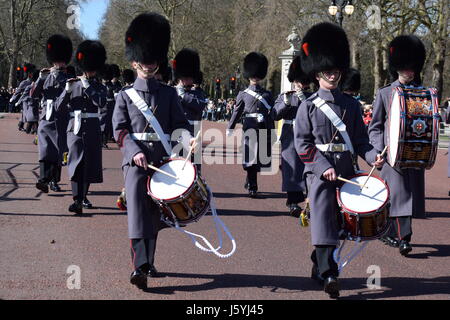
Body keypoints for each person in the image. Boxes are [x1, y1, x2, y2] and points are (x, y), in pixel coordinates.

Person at [294, 22, 384, 298]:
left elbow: (361, 142)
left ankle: (318, 262)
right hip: (320, 175)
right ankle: (330, 275)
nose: (332, 76)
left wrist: (374, 157)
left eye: (335, 71)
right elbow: (303, 145)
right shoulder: (307, 107)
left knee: (343, 224)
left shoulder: (352, 106)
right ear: (317, 73)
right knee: (323, 223)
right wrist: (322, 167)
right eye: (327, 71)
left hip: (347, 172)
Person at [112, 12, 195, 290]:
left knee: (155, 214)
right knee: (137, 214)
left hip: (162, 161)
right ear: (135, 62)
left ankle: (149, 260)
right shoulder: (124, 96)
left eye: (151, 60)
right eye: (143, 60)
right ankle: (139, 266)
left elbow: (180, 126)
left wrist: (188, 144)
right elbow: (120, 131)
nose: (147, 65)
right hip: (135, 164)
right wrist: (133, 150)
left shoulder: (169, 94)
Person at [368, 35, 427, 255]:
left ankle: (391, 232)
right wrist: (377, 149)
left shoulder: (422, 94)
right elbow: (374, 127)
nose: (409, 72)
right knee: (399, 196)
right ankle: (404, 239)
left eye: (412, 68)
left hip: (414, 153)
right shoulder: (385, 93)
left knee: (406, 197)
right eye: (405, 68)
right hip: (392, 155)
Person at [55, 40, 107, 214]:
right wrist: (66, 91)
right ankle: (77, 200)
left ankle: (83, 196)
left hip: (92, 128)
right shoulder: (73, 83)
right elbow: (58, 107)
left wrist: (88, 87)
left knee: (89, 164)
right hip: (75, 130)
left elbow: (100, 103)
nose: (89, 71)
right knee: (76, 163)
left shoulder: (99, 86)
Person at [227, 52, 275, 198]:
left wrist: (272, 131)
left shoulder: (267, 94)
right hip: (249, 127)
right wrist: (230, 127)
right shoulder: (243, 93)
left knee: (260, 158)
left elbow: (272, 113)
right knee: (250, 157)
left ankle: (249, 179)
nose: (255, 78)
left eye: (257, 75)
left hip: (263, 127)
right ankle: (253, 187)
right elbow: (237, 111)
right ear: (249, 76)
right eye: (253, 75)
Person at [32, 34, 73, 193]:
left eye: (61, 61)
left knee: (58, 150)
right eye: (57, 61)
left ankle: (53, 181)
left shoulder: (68, 78)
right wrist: (40, 79)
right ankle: (43, 178)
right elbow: (33, 95)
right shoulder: (45, 76)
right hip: (46, 117)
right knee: (45, 149)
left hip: (61, 116)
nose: (59, 64)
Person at [271, 56, 311, 217]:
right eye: (298, 81)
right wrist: (286, 103)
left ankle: (310, 199)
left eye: (302, 82)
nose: (300, 84)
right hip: (290, 136)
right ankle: (293, 201)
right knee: (291, 168)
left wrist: (304, 100)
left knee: (309, 167)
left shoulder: (313, 96)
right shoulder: (284, 96)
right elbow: (275, 115)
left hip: (308, 135)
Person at [10, 63, 36, 131]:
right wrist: (13, 98)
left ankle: (21, 124)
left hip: (33, 100)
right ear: (29, 74)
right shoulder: (24, 82)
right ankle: (31, 128)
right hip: (25, 100)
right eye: (30, 73)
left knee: (28, 113)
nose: (31, 74)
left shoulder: (36, 82)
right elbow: (18, 91)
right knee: (27, 113)